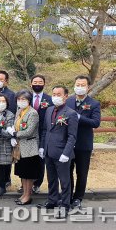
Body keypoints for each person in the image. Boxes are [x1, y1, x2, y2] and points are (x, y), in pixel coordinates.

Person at [39, 86, 78, 219]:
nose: (55, 96)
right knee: (51, 179)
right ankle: (52, 200)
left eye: (59, 94)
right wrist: (42, 147)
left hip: (62, 152)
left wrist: (66, 153)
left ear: (66, 96)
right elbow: (45, 130)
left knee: (65, 181)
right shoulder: (49, 109)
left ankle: (65, 205)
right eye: (54, 94)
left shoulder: (71, 113)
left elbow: (72, 136)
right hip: (49, 151)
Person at [66, 75, 101, 208]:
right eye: (77, 85)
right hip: (68, 143)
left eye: (82, 85)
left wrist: (79, 117)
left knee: (81, 172)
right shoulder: (68, 101)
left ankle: (78, 197)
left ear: (88, 87)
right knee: (67, 171)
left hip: (84, 143)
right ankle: (67, 195)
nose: (79, 87)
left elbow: (95, 123)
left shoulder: (94, 103)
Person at [9, 90, 40, 205]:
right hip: (19, 147)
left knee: (29, 174)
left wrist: (15, 134)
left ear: (29, 101)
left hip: (29, 148)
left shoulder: (33, 113)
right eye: (19, 99)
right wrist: (13, 132)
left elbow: (29, 131)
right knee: (22, 173)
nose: (21, 102)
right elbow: (15, 126)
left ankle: (28, 195)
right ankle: (24, 194)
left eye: (23, 99)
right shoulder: (19, 112)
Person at [30, 74, 53, 194]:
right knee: (28, 160)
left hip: (43, 133)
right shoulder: (26, 97)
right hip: (27, 133)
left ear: (44, 84)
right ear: (31, 84)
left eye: (40, 82)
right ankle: (26, 184)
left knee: (40, 159)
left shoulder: (49, 99)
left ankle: (37, 184)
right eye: (35, 82)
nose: (37, 84)